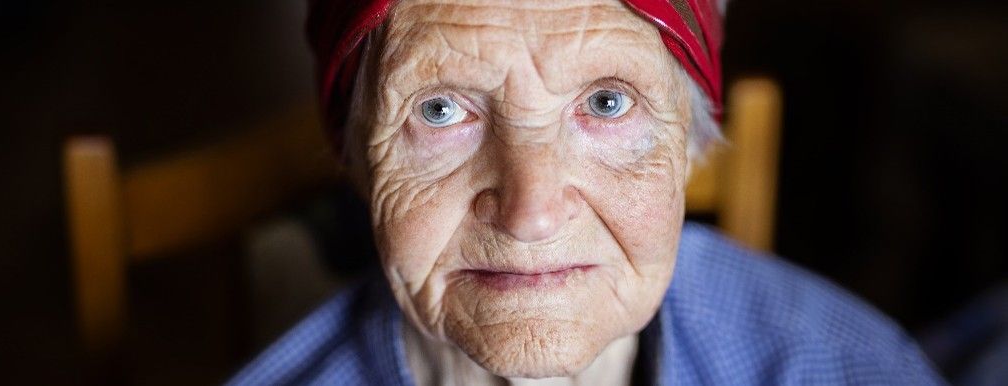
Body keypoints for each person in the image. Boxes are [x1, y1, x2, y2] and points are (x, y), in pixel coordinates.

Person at [229, 0, 946, 384]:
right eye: (441, 109)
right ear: (354, 155)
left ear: (689, 143)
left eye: (607, 102)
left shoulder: (849, 368)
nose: (531, 214)